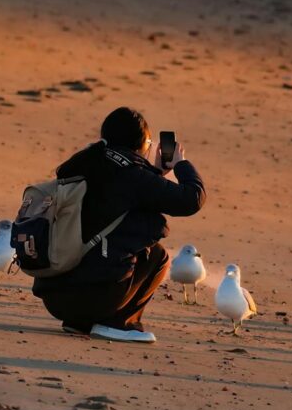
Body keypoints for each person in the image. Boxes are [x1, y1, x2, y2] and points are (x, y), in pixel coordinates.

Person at [31, 107, 205, 343]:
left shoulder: (83, 162)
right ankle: (118, 323)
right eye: (149, 143)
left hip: (54, 297)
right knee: (157, 255)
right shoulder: (133, 175)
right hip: (94, 299)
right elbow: (191, 199)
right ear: (141, 144)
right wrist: (181, 164)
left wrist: (155, 174)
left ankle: (79, 323)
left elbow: (117, 198)